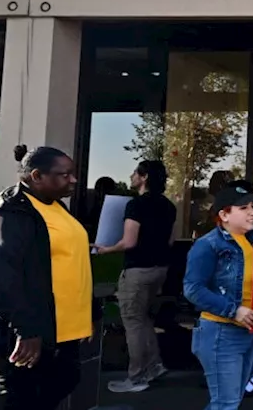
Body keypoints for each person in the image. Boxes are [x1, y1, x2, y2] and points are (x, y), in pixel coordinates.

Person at [0, 145, 92, 409]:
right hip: (28, 335)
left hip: (61, 332)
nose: (73, 180)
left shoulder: (55, 208)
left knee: (55, 390)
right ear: (36, 176)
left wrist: (87, 314)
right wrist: (25, 329)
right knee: (22, 400)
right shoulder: (7, 212)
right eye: (64, 174)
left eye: (73, 173)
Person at [183, 180, 253, 410]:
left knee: (228, 402)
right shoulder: (207, 245)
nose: (252, 212)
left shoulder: (250, 241)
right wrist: (234, 310)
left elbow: (252, 281)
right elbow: (192, 289)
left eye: (252, 206)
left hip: (247, 331)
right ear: (224, 215)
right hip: (221, 332)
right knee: (226, 404)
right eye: (243, 208)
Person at [94, 160, 178, 393]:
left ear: (144, 177)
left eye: (135, 173)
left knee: (132, 322)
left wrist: (105, 249)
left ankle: (137, 376)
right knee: (145, 320)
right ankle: (154, 366)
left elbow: (129, 242)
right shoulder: (169, 206)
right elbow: (170, 241)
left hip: (137, 270)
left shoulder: (136, 205)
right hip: (160, 270)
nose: (131, 176)